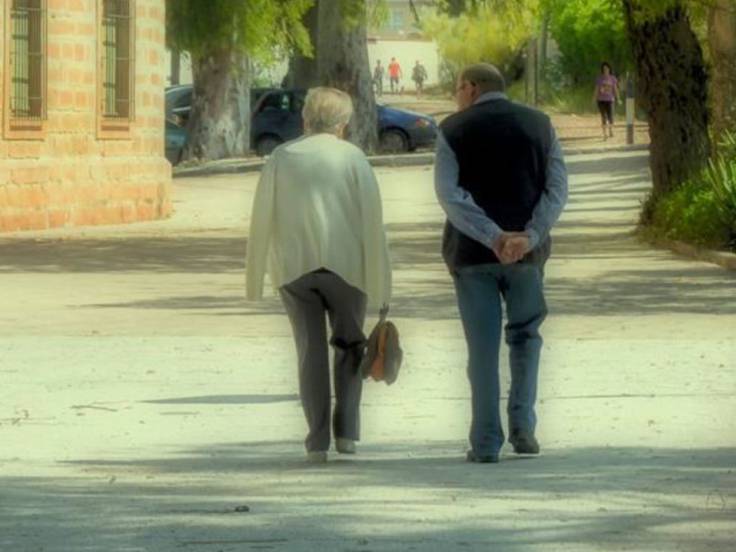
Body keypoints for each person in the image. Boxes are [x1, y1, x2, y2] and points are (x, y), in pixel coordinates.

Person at [245, 87, 392, 464]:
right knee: (350, 345)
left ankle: (316, 441)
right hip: (348, 267)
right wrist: (382, 281)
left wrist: (256, 277)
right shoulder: (353, 158)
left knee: (309, 351)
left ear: (305, 119)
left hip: (295, 267)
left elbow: (261, 216)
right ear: (343, 124)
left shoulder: (281, 156)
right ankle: (347, 434)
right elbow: (373, 221)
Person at [434, 63, 568, 464]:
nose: (457, 95)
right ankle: (524, 428)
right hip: (527, 257)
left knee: (482, 348)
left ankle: (486, 441)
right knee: (526, 336)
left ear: (472, 87)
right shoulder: (541, 125)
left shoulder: (453, 129)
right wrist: (529, 235)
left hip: (473, 257)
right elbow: (557, 189)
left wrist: (493, 237)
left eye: (458, 87)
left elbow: (449, 195)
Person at [592, 62, 620, 140]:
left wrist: (618, 98)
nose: (605, 70)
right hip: (601, 100)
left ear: (609, 69)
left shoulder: (613, 78)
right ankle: (605, 134)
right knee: (603, 116)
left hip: (610, 100)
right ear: (602, 70)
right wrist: (594, 99)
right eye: (604, 69)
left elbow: (615, 89)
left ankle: (611, 130)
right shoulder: (599, 78)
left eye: (607, 68)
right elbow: (596, 89)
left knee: (611, 116)